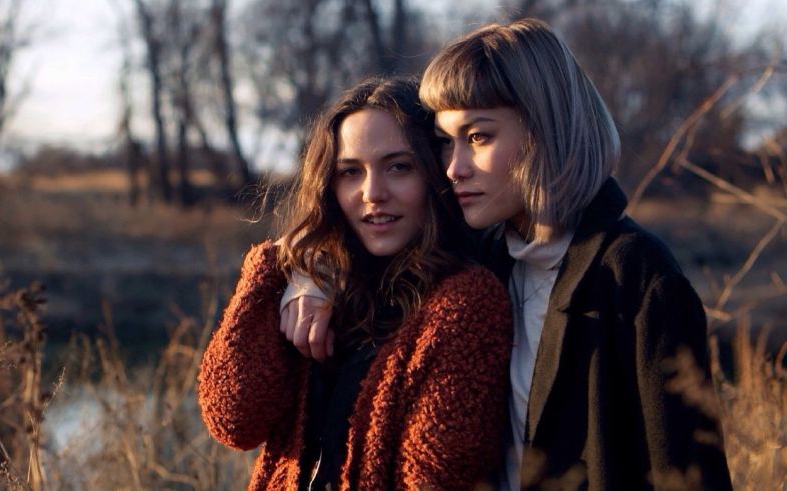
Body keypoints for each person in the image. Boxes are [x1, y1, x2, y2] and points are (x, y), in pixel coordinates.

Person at [281, 19, 733, 490]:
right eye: (444, 142)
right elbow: (354, 245)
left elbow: (689, 475)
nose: (454, 168)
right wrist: (313, 277)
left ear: (545, 129)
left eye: (478, 137)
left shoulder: (636, 277)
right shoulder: (479, 262)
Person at [197, 77, 513, 490]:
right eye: (350, 172)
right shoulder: (320, 283)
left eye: (399, 167)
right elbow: (232, 418)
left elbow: (436, 478)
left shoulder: (466, 304)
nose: (372, 193)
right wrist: (280, 265)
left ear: (435, 174)